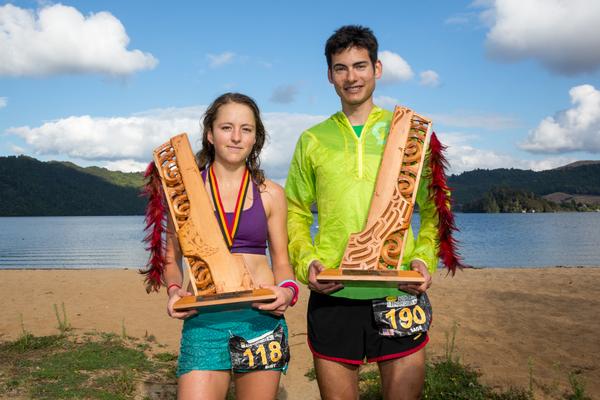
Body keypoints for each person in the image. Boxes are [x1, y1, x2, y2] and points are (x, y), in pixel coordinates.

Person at [285, 26, 459, 400]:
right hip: (334, 290)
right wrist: (307, 262)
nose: (351, 77)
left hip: (398, 288)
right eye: (341, 68)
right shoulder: (312, 139)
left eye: (360, 66)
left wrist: (422, 259)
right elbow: (295, 212)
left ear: (377, 69)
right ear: (329, 75)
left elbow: (433, 209)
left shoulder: (410, 134)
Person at [145, 93, 298, 400]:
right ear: (210, 134)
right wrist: (175, 290)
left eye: (247, 129)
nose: (237, 137)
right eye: (227, 127)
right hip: (204, 320)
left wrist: (288, 290)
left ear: (256, 137)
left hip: (261, 318)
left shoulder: (271, 194)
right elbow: (171, 259)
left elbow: (281, 260)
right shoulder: (183, 194)